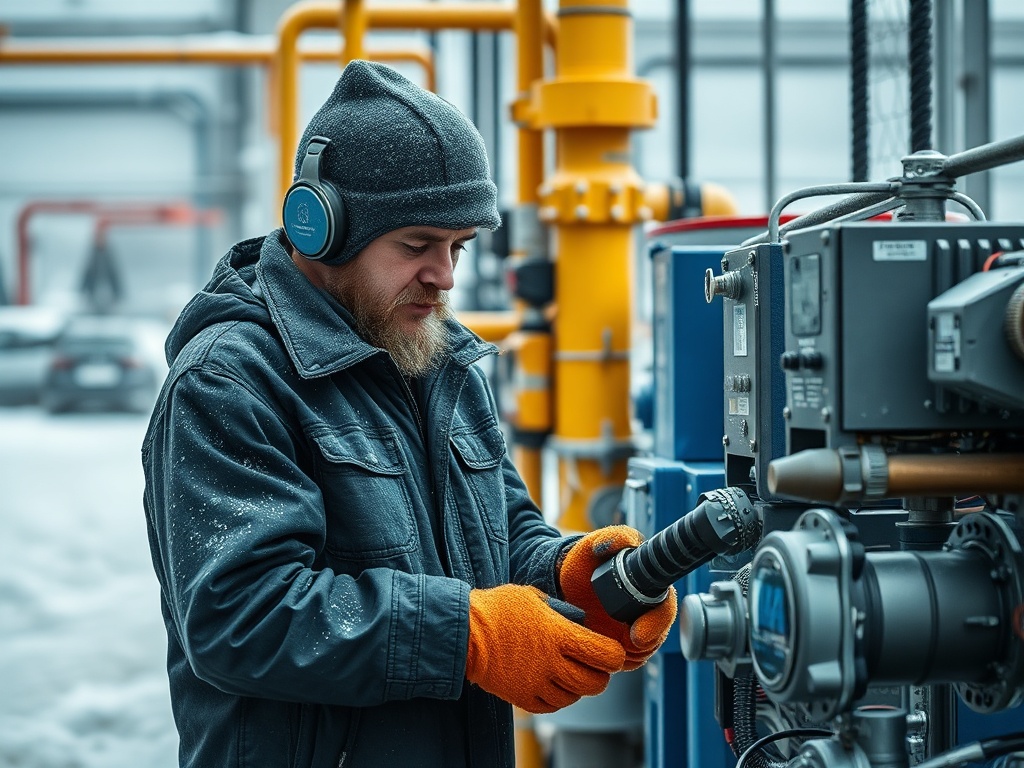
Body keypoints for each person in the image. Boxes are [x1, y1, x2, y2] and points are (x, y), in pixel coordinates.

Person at [142, 59, 677, 768]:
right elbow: (241, 615)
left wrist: (566, 574)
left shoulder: (436, 357)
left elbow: (496, 536)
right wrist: (467, 635)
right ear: (319, 229)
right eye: (417, 245)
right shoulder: (230, 381)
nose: (446, 276)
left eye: (457, 247)